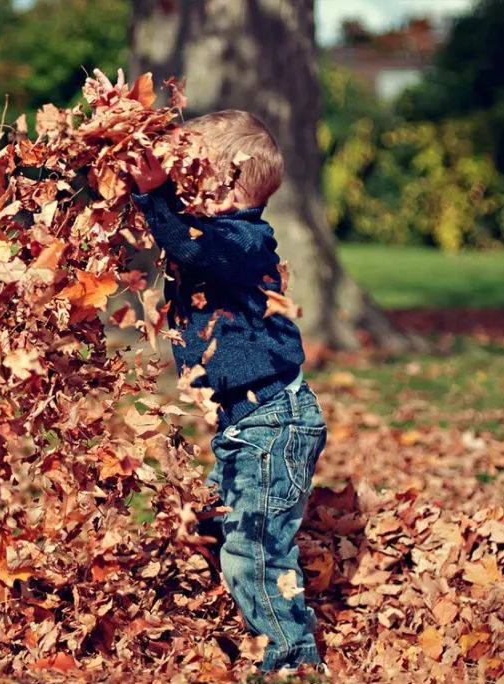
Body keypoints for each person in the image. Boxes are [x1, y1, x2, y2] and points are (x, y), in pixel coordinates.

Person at [129, 109, 329, 673]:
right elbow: (178, 239)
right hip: (247, 425)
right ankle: (232, 619)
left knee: (256, 553)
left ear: (220, 185)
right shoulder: (216, 238)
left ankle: (292, 659)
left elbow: (190, 246)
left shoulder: (244, 241)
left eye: (188, 179)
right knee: (218, 523)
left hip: (273, 423)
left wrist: (154, 198)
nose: (178, 191)